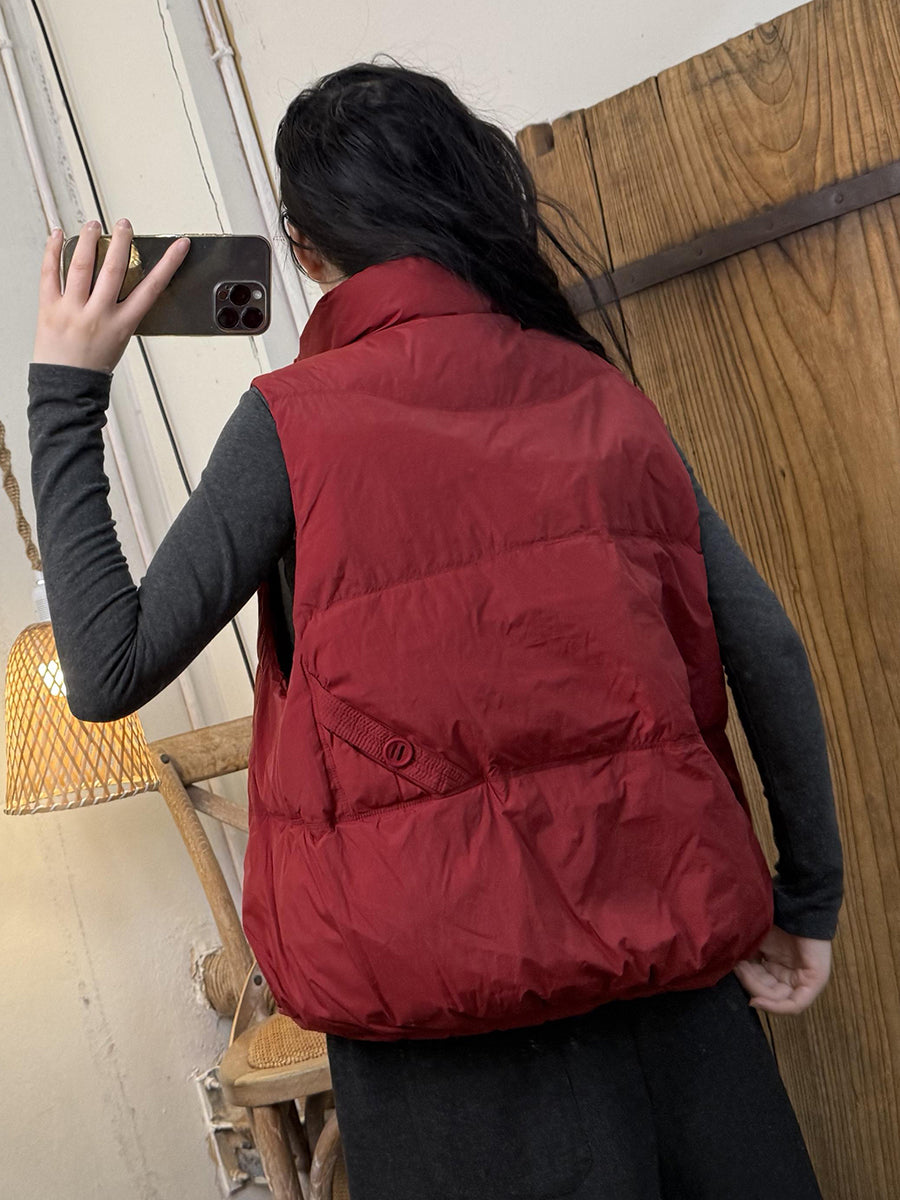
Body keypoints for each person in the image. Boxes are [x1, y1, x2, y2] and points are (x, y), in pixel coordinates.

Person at [28, 59, 842, 1200]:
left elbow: (107, 669)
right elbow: (769, 650)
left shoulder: (291, 427)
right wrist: (806, 901)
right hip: (678, 1026)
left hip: (440, 1065)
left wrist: (66, 389)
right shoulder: (600, 395)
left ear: (304, 249)